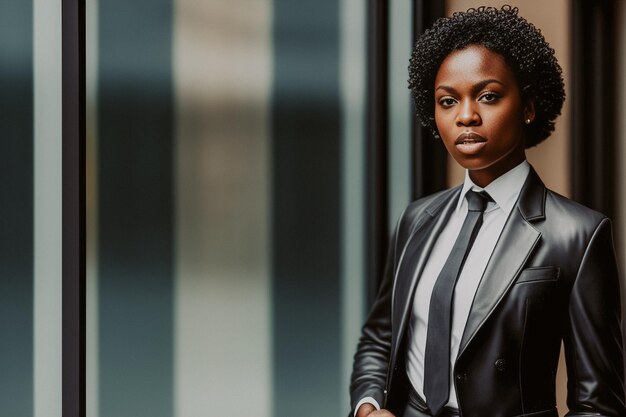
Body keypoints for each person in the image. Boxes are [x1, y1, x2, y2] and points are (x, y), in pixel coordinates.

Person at [350, 6, 625, 417]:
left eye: (488, 96)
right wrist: (368, 407)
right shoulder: (417, 219)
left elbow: (598, 404)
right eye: (447, 101)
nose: (466, 116)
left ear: (528, 106)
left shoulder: (577, 235)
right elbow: (379, 338)